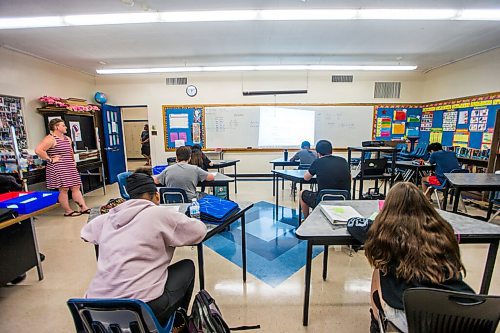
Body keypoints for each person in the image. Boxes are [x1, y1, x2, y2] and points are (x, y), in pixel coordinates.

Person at [81, 173, 207, 327]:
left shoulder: (109, 217)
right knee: (187, 266)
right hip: (140, 310)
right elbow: (199, 232)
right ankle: (178, 324)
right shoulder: (159, 213)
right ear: (156, 195)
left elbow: (86, 233)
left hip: (94, 310)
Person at [359, 182, 474, 333]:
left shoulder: (386, 234)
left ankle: (377, 325)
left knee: (379, 270)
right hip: (460, 315)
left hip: (414, 318)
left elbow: (360, 231)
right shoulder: (445, 230)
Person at [35, 118, 89, 217]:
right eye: (63, 125)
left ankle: (83, 207)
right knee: (64, 188)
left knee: (76, 186)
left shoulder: (67, 138)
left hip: (69, 165)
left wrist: (73, 161)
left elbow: (70, 151)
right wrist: (50, 159)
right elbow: (38, 150)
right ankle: (68, 211)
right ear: (56, 127)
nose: (66, 127)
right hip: (58, 166)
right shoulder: (50, 139)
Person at [300, 140, 351, 219]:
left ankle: (307, 219)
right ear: (331, 151)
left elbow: (306, 178)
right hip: (344, 198)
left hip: (323, 198)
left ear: (318, 153)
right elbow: (350, 177)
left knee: (302, 193)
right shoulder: (343, 161)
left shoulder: (317, 162)